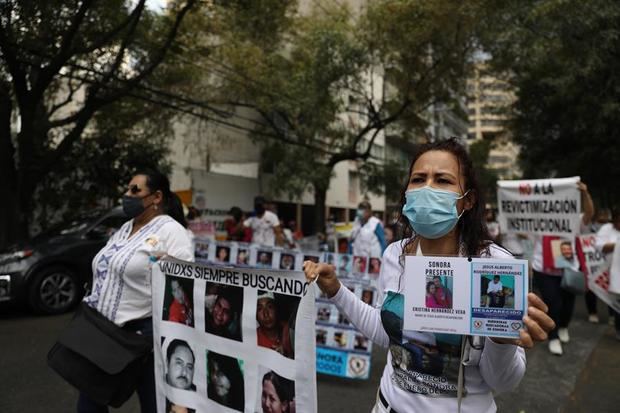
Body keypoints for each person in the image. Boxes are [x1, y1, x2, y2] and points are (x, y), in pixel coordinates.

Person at [302, 138, 554, 413]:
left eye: (443, 180)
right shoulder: (394, 254)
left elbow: (504, 382)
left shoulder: (494, 266)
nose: (427, 188)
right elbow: (387, 333)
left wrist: (502, 341)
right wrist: (336, 290)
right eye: (419, 179)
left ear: (467, 199)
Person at [80, 169, 193, 412]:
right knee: (89, 404)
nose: (126, 195)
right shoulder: (123, 229)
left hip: (141, 338)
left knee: (153, 405)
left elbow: (184, 289)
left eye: (135, 190)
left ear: (156, 197)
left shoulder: (172, 232)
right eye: (127, 189)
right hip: (102, 331)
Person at [532, 181, 594, 355]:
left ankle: (563, 326)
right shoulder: (537, 219)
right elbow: (518, 224)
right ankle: (553, 337)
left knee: (568, 303)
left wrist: (585, 194)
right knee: (553, 302)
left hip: (568, 269)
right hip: (544, 269)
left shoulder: (574, 219)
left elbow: (589, 215)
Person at [595, 208, 620, 339]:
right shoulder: (606, 229)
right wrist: (617, 245)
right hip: (612, 271)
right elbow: (599, 247)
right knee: (617, 300)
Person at [585, 208, 611, 323]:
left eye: (606, 214)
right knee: (590, 288)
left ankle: (612, 315)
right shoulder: (588, 227)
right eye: (601, 214)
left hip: (607, 263)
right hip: (591, 263)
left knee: (610, 288)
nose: (603, 217)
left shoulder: (611, 229)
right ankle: (592, 312)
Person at [256, 291, 294, 358]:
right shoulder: (254, 339)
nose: (266, 314)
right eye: (260, 309)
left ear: (276, 309)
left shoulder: (290, 330)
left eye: (269, 307)